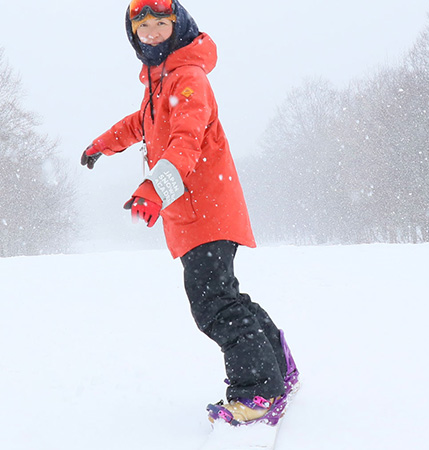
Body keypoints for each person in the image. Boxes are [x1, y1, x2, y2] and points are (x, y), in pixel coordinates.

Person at [80, 0, 298, 426]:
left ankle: (258, 393)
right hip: (198, 214)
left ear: (178, 26)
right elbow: (140, 123)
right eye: (144, 28)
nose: (153, 34)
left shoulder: (187, 79)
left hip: (206, 212)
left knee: (213, 306)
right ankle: (278, 366)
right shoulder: (160, 84)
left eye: (161, 24)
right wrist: (101, 145)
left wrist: (152, 190)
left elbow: (185, 142)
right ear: (134, 35)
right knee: (225, 298)